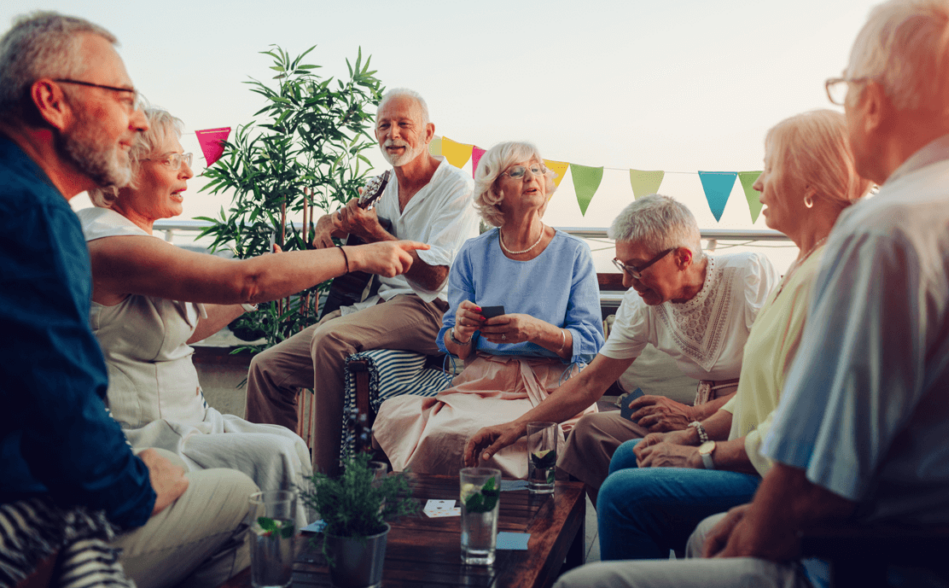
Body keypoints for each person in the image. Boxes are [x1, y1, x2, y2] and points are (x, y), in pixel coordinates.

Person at [555, 0, 949, 588]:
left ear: (872, 103)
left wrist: (746, 522)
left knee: (588, 583)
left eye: (843, 91)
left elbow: (813, 479)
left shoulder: (891, 230)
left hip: (887, 556)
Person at [78, 107, 427, 528]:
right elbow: (245, 279)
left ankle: (289, 557)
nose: (189, 172)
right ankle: (287, 562)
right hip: (146, 438)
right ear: (122, 172)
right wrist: (355, 256)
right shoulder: (108, 243)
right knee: (277, 453)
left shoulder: (131, 238)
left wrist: (262, 294)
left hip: (190, 421)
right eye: (172, 161)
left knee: (287, 442)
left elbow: (190, 326)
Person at [0, 12, 251, 588]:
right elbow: (61, 417)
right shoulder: (36, 215)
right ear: (51, 101)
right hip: (19, 507)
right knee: (241, 496)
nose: (136, 122)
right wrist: (138, 486)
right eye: (121, 97)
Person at [595, 110, 870, 560]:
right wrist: (693, 433)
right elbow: (757, 395)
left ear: (811, 186)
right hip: (755, 450)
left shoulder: (831, 274)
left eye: (769, 168)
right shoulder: (800, 265)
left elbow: (803, 427)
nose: (758, 184)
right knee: (631, 454)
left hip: (775, 473)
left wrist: (703, 456)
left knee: (623, 494)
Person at [466, 194, 778, 500]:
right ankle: (633, 531)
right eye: (621, 265)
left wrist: (694, 415)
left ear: (682, 257)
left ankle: (642, 517)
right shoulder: (640, 303)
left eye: (637, 267)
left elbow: (778, 381)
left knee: (629, 465)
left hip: (755, 414)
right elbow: (591, 381)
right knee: (589, 432)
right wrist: (515, 427)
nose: (627, 281)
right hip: (694, 416)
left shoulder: (748, 275)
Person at [246, 87, 478, 475]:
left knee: (332, 337)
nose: (393, 134)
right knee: (266, 367)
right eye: (384, 124)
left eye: (404, 124)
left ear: (428, 131)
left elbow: (436, 278)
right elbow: (339, 221)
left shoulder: (455, 187)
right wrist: (326, 223)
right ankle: (274, 481)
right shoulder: (382, 184)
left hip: (431, 310)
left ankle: (328, 486)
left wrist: (374, 235)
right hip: (379, 307)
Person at [372, 142, 604, 477]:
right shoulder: (472, 253)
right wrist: (460, 332)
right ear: (496, 190)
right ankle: (445, 519)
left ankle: (509, 517)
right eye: (517, 171)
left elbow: (591, 342)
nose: (532, 176)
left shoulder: (574, 253)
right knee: (407, 419)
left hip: (549, 386)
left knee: (476, 437)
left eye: (536, 168)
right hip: (481, 382)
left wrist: (536, 331)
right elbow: (456, 348)